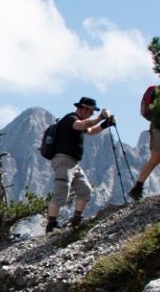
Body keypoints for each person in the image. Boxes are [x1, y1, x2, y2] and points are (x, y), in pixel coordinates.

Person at [42, 97, 115, 232]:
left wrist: (106, 124)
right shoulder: (71, 119)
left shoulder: (79, 121)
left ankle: (76, 220)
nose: (92, 114)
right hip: (63, 161)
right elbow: (82, 126)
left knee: (85, 190)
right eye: (91, 111)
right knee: (61, 192)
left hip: (73, 164)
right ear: (83, 109)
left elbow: (91, 131)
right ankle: (51, 225)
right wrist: (100, 117)